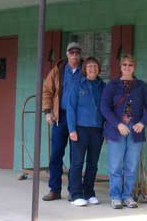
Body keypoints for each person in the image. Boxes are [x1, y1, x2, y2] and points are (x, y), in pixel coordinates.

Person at [100, 54, 147, 209]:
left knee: (131, 165)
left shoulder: (141, 85)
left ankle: (127, 196)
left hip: (135, 130)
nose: (127, 67)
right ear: (120, 66)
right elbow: (104, 107)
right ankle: (116, 196)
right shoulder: (112, 85)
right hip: (116, 130)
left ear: (134, 67)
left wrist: (142, 122)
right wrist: (117, 124)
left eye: (130, 65)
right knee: (116, 165)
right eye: (124, 64)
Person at [42, 41, 83, 201]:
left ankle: (73, 191)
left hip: (78, 120)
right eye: (71, 52)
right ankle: (55, 189)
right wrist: (47, 111)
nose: (74, 55)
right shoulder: (58, 70)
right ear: (67, 54)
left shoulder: (85, 70)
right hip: (61, 117)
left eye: (77, 53)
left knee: (76, 157)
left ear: (80, 55)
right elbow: (47, 90)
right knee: (56, 154)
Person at [67, 57, 105, 207]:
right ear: (85, 69)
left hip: (97, 129)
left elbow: (107, 108)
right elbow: (71, 108)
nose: (92, 69)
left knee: (93, 164)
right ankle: (76, 194)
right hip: (80, 129)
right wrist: (72, 129)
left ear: (99, 69)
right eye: (89, 66)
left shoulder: (103, 86)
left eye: (95, 66)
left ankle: (89, 192)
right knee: (77, 163)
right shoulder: (77, 85)